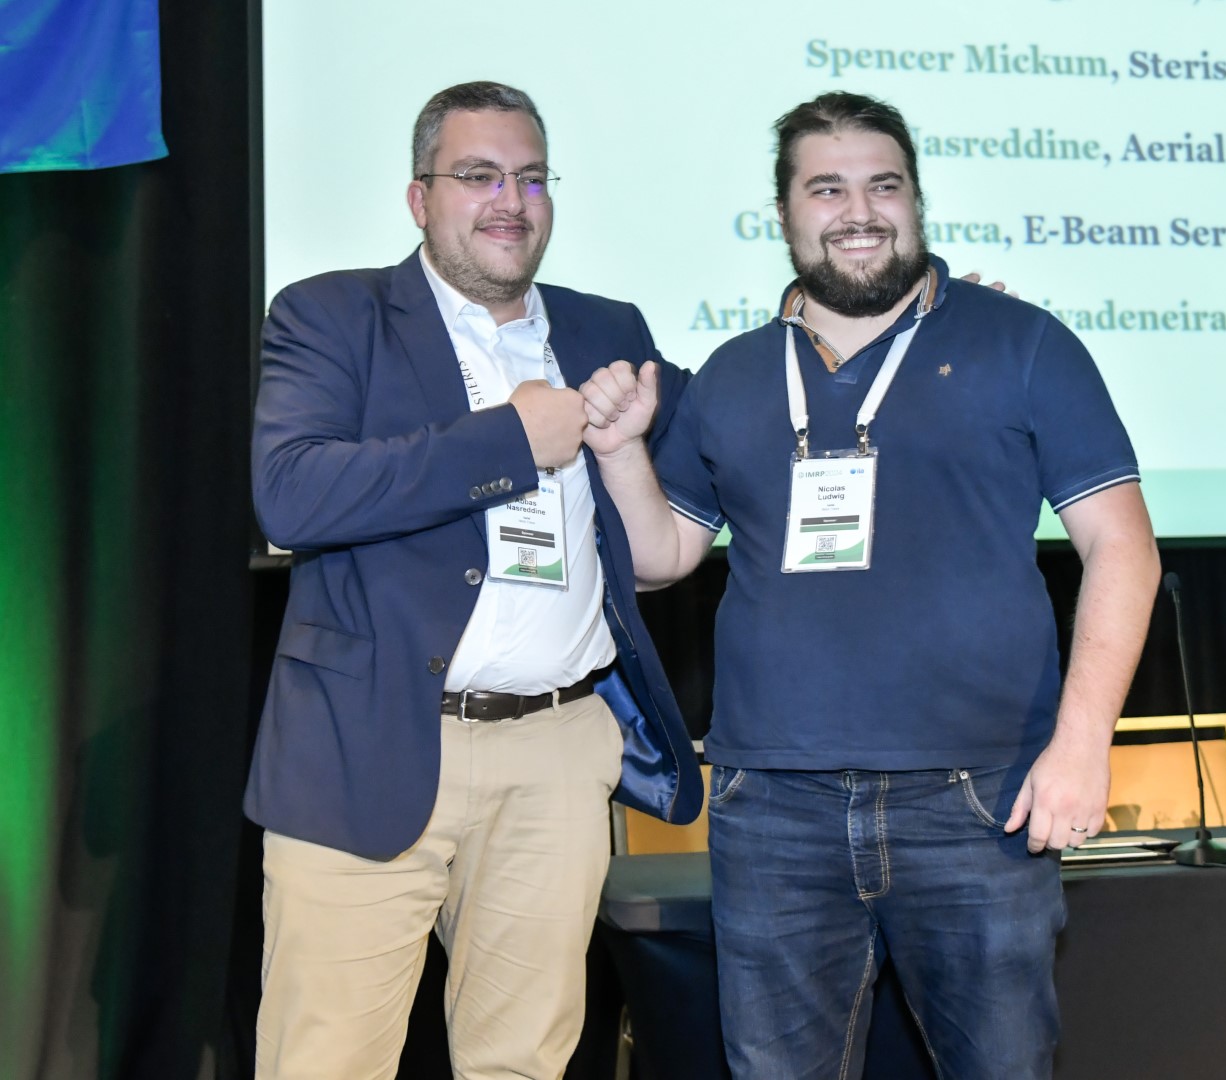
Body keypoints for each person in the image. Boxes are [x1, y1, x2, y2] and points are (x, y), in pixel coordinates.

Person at [581, 91, 1161, 1079]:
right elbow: (659, 556)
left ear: (916, 201)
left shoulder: (1023, 342)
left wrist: (1082, 746)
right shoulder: (733, 372)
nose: (858, 211)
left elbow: (1123, 549)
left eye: (883, 186)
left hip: (979, 801)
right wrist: (620, 450)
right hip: (773, 805)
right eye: (827, 189)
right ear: (784, 214)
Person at [246, 81, 702, 1080]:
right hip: (365, 743)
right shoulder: (332, 314)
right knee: (326, 1062)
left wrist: (908, 323)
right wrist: (509, 441)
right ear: (420, 198)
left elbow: (733, 431)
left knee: (524, 1062)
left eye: (531, 178)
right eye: (479, 175)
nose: (511, 200)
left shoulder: (606, 329)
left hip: (556, 749)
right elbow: (291, 496)